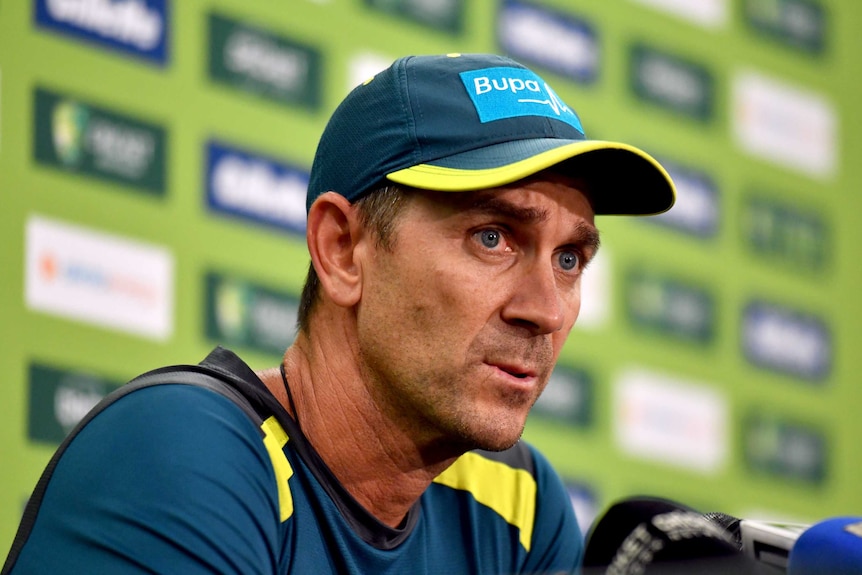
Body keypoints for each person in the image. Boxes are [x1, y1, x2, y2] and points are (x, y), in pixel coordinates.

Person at [3, 53, 675, 574]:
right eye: (492, 237)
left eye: (569, 259)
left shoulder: (516, 508)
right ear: (342, 249)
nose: (546, 311)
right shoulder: (180, 453)